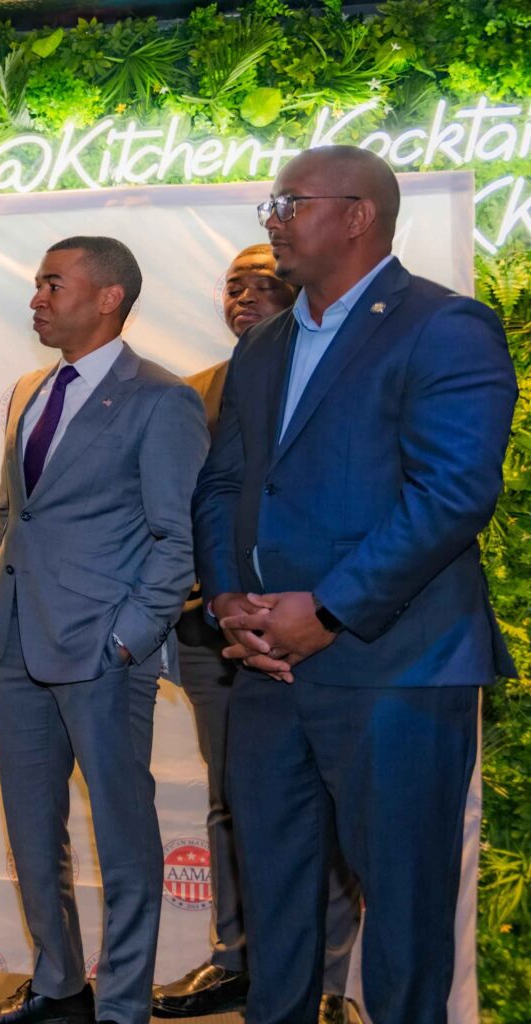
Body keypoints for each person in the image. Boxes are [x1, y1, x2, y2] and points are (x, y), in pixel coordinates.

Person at [193, 145, 517, 1024]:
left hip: (397, 669)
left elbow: (452, 493)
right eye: (272, 205)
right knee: (274, 903)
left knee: (404, 914)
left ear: (358, 215)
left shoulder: (445, 326)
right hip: (265, 669)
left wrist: (330, 609)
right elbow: (225, 485)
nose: (273, 221)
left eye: (289, 203)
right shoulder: (264, 344)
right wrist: (228, 600)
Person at [0, 237, 208, 1024]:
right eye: (37, 283)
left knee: (123, 836)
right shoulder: (28, 390)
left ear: (108, 298)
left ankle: (124, 1007)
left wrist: (128, 638)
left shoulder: (161, 400)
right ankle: (59, 987)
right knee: (32, 830)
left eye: (52, 283)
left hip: (104, 654)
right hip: (12, 644)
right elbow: (11, 513)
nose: (36, 298)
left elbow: (179, 538)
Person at [154, 245, 363, 1024]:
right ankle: (238, 961)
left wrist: (316, 609)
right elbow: (185, 504)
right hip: (216, 631)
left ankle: (326, 984)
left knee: (329, 808)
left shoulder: (346, 373)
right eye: (233, 286)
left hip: (325, 628)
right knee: (232, 802)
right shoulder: (194, 391)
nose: (243, 297)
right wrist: (213, 604)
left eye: (263, 283)